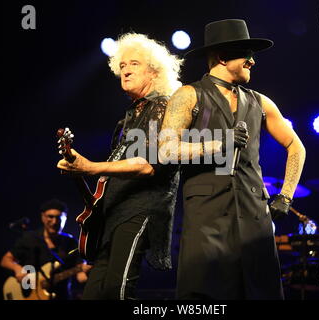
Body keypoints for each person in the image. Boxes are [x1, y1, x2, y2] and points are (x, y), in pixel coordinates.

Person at [158, 19, 306, 299]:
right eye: (245, 54)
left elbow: (296, 147)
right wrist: (219, 142)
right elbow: (166, 150)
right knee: (206, 295)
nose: (252, 61)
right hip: (207, 218)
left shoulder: (261, 102)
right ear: (223, 56)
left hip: (255, 218)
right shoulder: (188, 95)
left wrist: (285, 196)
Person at [57, 33, 182, 300]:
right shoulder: (127, 118)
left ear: (153, 71)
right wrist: (77, 167)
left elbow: (149, 165)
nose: (125, 70)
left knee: (118, 289)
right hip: (112, 212)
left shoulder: (163, 108)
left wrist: (90, 167)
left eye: (134, 64)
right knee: (93, 293)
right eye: (122, 65)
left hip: (141, 208)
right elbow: (112, 170)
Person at [0, 198, 89, 300]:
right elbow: (5, 260)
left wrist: (87, 272)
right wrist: (18, 269)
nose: (55, 222)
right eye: (50, 217)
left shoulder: (71, 242)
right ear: (42, 217)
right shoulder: (30, 238)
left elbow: (80, 274)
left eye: (59, 218)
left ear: (65, 219)